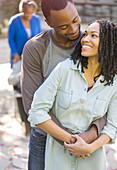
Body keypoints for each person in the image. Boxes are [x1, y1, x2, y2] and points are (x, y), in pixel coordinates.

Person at [21, 0, 106, 169]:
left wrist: (90, 135)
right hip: (45, 137)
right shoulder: (36, 48)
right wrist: (71, 140)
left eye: (75, 20)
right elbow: (31, 103)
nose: (74, 30)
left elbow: (107, 94)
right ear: (49, 23)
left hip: (86, 137)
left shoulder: (93, 45)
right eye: (63, 26)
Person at [8, 0, 42, 136]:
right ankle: (24, 122)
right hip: (18, 58)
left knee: (32, 89)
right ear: (21, 11)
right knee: (18, 90)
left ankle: (31, 120)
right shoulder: (14, 21)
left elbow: (39, 36)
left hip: (32, 59)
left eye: (31, 13)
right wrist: (16, 53)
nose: (29, 16)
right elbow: (10, 38)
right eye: (26, 13)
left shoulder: (36, 19)